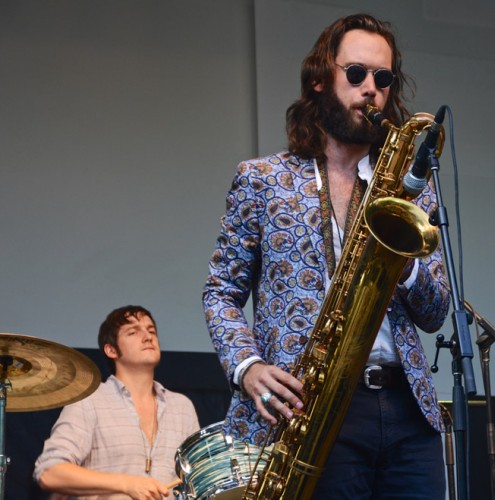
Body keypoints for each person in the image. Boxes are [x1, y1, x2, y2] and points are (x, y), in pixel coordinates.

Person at [202, 13, 450, 498]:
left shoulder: (412, 187)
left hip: (406, 410)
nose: (370, 88)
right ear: (319, 79)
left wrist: (401, 262)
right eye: (355, 73)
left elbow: (435, 311)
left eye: (383, 78)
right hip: (310, 407)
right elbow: (220, 292)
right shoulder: (262, 179)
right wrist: (247, 366)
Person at [34, 305, 200, 500]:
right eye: (133, 332)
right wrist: (127, 484)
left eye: (151, 331)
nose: (148, 337)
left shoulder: (182, 407)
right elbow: (50, 472)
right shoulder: (89, 401)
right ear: (111, 349)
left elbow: (198, 480)